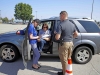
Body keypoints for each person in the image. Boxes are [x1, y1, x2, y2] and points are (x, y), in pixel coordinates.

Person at [55, 11, 78, 75]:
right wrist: (70, 38)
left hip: (64, 44)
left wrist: (56, 34)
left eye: (60, 16)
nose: (59, 17)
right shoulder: (72, 24)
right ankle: (68, 70)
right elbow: (76, 34)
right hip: (70, 43)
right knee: (68, 58)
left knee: (63, 60)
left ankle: (64, 73)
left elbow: (57, 37)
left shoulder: (61, 24)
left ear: (63, 15)